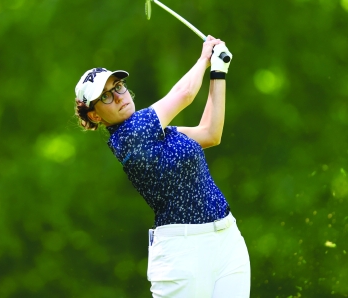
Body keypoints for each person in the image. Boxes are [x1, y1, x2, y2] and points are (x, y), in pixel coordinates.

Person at [74, 36, 250, 297]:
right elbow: (185, 94)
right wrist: (204, 58)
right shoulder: (130, 135)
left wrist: (218, 72)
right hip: (183, 253)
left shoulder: (159, 131)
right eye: (106, 96)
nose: (119, 96)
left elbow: (210, 133)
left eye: (118, 86)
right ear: (96, 115)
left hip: (227, 239)